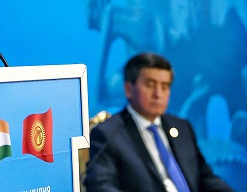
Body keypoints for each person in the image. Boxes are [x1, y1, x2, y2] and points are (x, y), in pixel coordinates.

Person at [84, 52, 233, 192]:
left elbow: (204, 177)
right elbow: (100, 186)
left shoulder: (182, 127)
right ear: (129, 89)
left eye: (165, 86)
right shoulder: (108, 133)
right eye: (150, 85)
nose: (158, 94)